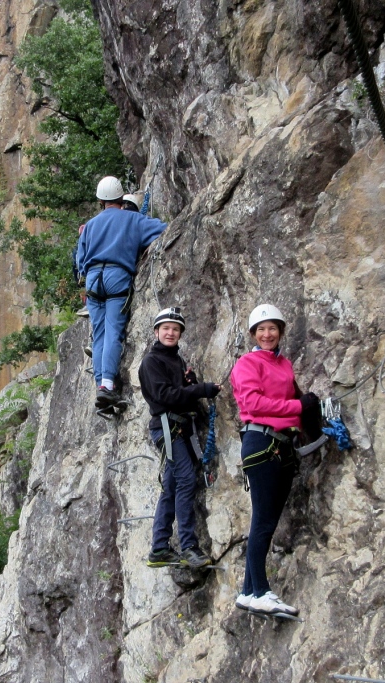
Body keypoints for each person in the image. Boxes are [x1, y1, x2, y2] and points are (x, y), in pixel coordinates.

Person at [229, 304, 319, 616]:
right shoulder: (247, 363)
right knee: (263, 521)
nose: (267, 334)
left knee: (267, 519)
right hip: (260, 442)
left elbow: (296, 401)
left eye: (273, 328)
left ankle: (247, 592)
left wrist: (312, 417)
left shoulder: (285, 365)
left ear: (280, 332)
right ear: (254, 334)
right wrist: (297, 406)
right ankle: (261, 591)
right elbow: (252, 402)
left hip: (281, 445)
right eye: (261, 329)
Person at [140, 307, 221, 568]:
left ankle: (160, 547)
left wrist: (190, 382)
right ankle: (188, 546)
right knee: (186, 479)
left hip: (179, 427)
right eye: (166, 328)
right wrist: (201, 390)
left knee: (172, 485)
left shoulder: (177, 360)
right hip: (167, 427)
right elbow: (167, 396)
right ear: (156, 331)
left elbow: (179, 391)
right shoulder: (152, 362)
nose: (171, 332)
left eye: (175, 329)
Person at [76, 176, 167, 410]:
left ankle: (101, 385)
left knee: (99, 334)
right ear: (120, 197)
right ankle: (107, 385)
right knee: (114, 331)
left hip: (94, 280)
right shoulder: (133, 219)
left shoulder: (90, 225)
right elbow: (163, 229)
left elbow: (80, 261)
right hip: (117, 277)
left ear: (100, 200)